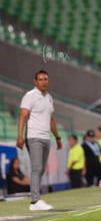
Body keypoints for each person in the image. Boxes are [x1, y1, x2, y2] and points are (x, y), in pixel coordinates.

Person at [16, 70, 62, 211]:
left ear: (48, 81)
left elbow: (52, 119)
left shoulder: (49, 97)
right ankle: (35, 200)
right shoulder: (29, 96)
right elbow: (23, 116)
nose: (43, 81)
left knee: (41, 169)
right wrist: (20, 136)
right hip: (33, 136)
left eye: (45, 79)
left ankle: (34, 200)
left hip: (46, 137)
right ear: (35, 82)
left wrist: (58, 137)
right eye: (40, 79)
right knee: (36, 168)